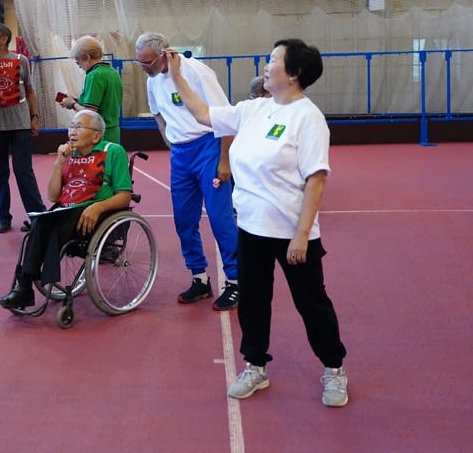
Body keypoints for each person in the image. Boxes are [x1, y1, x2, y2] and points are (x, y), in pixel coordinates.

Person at [165, 38, 349, 408]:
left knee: (311, 303)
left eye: (273, 60)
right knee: (253, 301)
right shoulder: (254, 109)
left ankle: (334, 369)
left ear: (294, 73)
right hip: (251, 229)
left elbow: (316, 179)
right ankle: (255, 366)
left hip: (292, 233)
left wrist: (301, 235)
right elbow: (203, 113)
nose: (266, 65)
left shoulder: (308, 118)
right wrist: (176, 76)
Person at [134, 32, 239, 311]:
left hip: (209, 147)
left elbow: (226, 117)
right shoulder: (151, 79)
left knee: (219, 217)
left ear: (163, 53)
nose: (144, 68)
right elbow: (157, 114)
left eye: (147, 62)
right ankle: (200, 278)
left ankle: (235, 280)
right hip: (181, 154)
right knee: (184, 220)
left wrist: (225, 160)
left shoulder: (197, 72)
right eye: (139, 63)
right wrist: (169, 139)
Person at [0, 109, 132, 310]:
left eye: (79, 127)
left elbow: (125, 196)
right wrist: (59, 162)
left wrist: (98, 207)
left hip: (96, 213)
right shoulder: (69, 155)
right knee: (39, 223)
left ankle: (31, 285)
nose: (73, 131)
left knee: (51, 225)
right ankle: (24, 286)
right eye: (71, 126)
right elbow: (53, 196)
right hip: (66, 210)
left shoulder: (113, 151)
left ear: (96, 136)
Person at [0, 23, 46, 234]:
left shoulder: (20, 60)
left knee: (23, 170)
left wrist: (35, 117)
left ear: (4, 39)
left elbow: (30, 91)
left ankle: (37, 216)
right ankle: (3, 217)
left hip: (20, 123)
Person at [58, 35, 124, 145]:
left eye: (78, 62)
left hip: (99, 135)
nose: (79, 67)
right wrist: (75, 101)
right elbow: (101, 103)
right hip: (113, 133)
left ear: (86, 57)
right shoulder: (113, 72)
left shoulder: (94, 75)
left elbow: (89, 113)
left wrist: (73, 104)